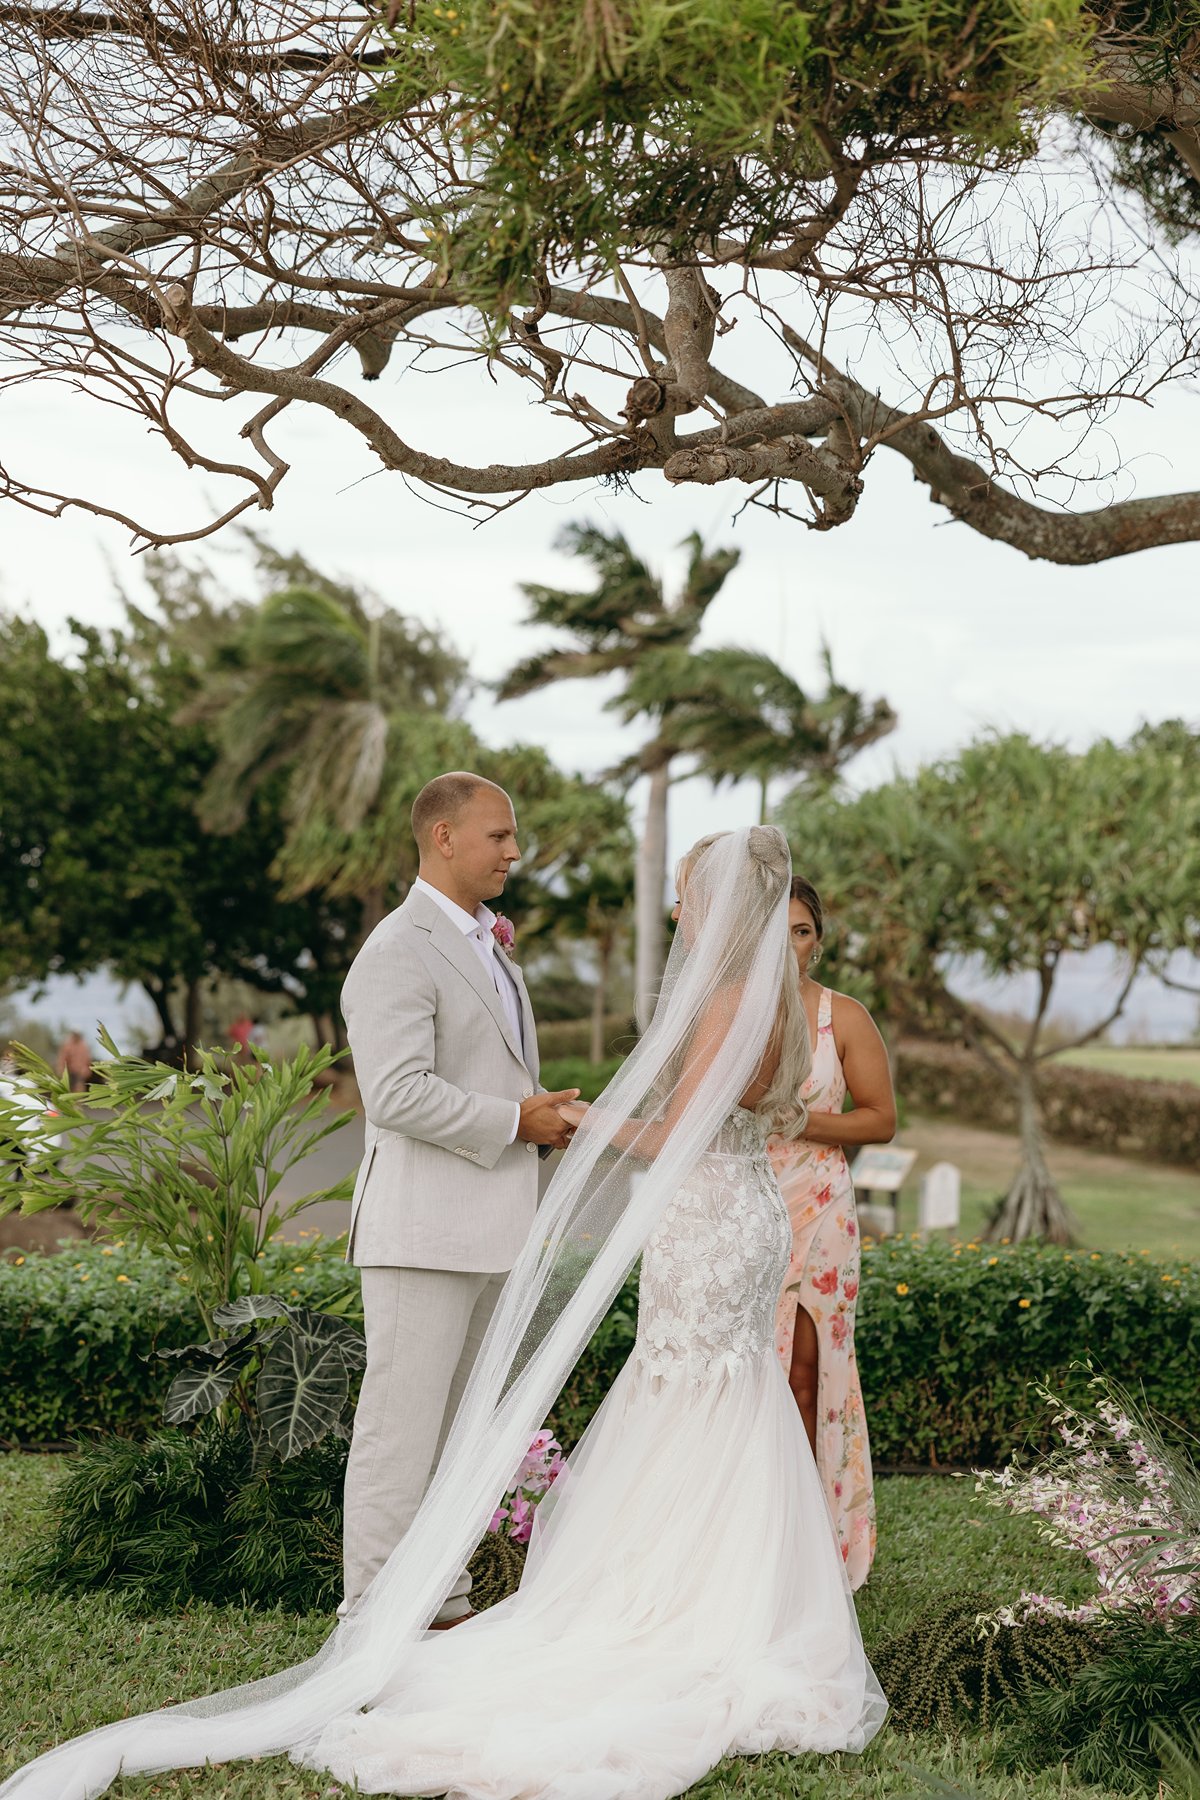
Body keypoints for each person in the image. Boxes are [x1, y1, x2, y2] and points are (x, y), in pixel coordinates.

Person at [0, 825, 885, 1800]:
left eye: (687, 894)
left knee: (686, 1391)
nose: (678, 911)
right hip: (746, 1211)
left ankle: (674, 1612)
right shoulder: (777, 1000)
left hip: (707, 1218)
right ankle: (733, 1606)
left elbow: (674, 1138)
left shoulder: (724, 997)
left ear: (720, 903)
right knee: (722, 1390)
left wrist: (580, 1121)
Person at [339, 771, 578, 1625]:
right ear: (443, 837)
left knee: (457, 1435)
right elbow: (395, 1094)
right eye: (498, 836)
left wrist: (547, 1115)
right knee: (399, 1437)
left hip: (493, 1229)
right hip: (421, 1231)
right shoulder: (397, 948)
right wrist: (518, 1121)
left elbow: (495, 1077)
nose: (514, 852)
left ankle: (441, 1597)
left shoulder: (492, 946)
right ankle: (371, 1613)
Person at [768, 876, 896, 1590]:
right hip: (746, 1211)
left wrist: (799, 1122)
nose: (790, 947)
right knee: (751, 1371)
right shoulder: (726, 1016)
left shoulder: (841, 1016)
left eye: (802, 931)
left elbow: (880, 1119)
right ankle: (758, 1529)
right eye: (777, 930)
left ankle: (815, 1546)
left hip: (820, 1208)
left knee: (809, 1369)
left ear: (818, 938)